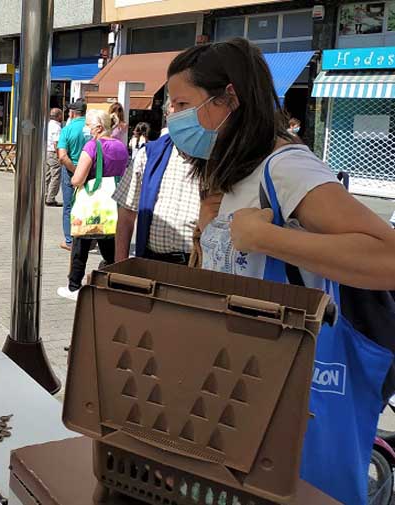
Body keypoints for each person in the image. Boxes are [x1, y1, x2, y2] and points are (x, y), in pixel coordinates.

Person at [168, 38, 395, 505]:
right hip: (236, 381)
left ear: (229, 98)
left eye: (182, 104)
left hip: (295, 388)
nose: (173, 118)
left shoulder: (287, 166)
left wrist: (267, 238)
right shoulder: (228, 171)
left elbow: (387, 257)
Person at [113, 103, 200, 265]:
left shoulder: (216, 158)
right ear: (167, 117)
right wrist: (120, 264)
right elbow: (126, 215)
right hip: (153, 261)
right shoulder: (149, 153)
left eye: (184, 106)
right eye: (173, 109)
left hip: (198, 263)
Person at [58, 109, 128, 300]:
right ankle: (113, 283)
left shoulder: (92, 146)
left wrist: (75, 179)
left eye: (88, 125)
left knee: (80, 246)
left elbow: (78, 178)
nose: (86, 129)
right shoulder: (121, 146)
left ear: (98, 127)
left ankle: (74, 286)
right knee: (109, 246)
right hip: (113, 203)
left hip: (91, 204)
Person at [57, 99, 90, 251]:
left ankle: (70, 241)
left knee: (69, 206)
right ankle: (88, 237)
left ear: (72, 113)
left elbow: (62, 156)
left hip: (71, 170)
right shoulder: (91, 129)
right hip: (90, 171)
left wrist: (75, 170)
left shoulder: (67, 129)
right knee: (88, 204)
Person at [45, 108, 63, 207]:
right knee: (55, 176)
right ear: (58, 116)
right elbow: (56, 143)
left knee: (47, 175)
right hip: (53, 152)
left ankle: (45, 195)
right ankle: (50, 198)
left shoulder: (47, 125)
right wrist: (59, 155)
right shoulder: (56, 127)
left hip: (47, 152)